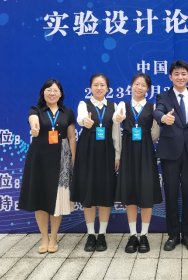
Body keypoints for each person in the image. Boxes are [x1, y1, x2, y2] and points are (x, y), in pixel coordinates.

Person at [153, 60, 188, 252]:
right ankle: (173, 235)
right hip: (170, 152)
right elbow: (158, 111)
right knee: (171, 194)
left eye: (183, 73)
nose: (180, 77)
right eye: (176, 74)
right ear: (170, 77)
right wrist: (163, 118)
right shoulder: (163, 96)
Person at [19, 79, 76, 254]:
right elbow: (33, 120)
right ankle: (44, 238)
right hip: (39, 160)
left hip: (61, 159)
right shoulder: (36, 110)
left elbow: (71, 137)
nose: (52, 93)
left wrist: (73, 158)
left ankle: (53, 238)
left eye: (55, 90)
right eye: (48, 90)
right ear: (43, 92)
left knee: (57, 200)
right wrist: (34, 128)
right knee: (40, 199)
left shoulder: (67, 112)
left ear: (61, 94)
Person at [71, 73, 120, 252]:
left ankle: (102, 235)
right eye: (96, 85)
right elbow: (80, 118)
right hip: (87, 151)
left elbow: (116, 133)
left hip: (107, 151)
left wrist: (117, 155)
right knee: (89, 192)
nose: (99, 88)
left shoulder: (114, 106)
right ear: (90, 87)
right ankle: (91, 234)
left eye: (102, 85)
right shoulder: (83, 105)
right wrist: (85, 121)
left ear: (107, 88)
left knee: (105, 193)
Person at [114, 73, 162, 253]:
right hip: (128, 153)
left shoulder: (153, 107)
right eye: (137, 84)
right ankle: (133, 235)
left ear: (148, 89)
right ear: (131, 85)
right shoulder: (123, 106)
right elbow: (116, 121)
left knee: (146, 194)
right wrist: (118, 118)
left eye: (143, 85)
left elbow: (155, 132)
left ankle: (144, 235)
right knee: (131, 193)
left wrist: (145, 142)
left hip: (146, 153)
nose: (139, 87)